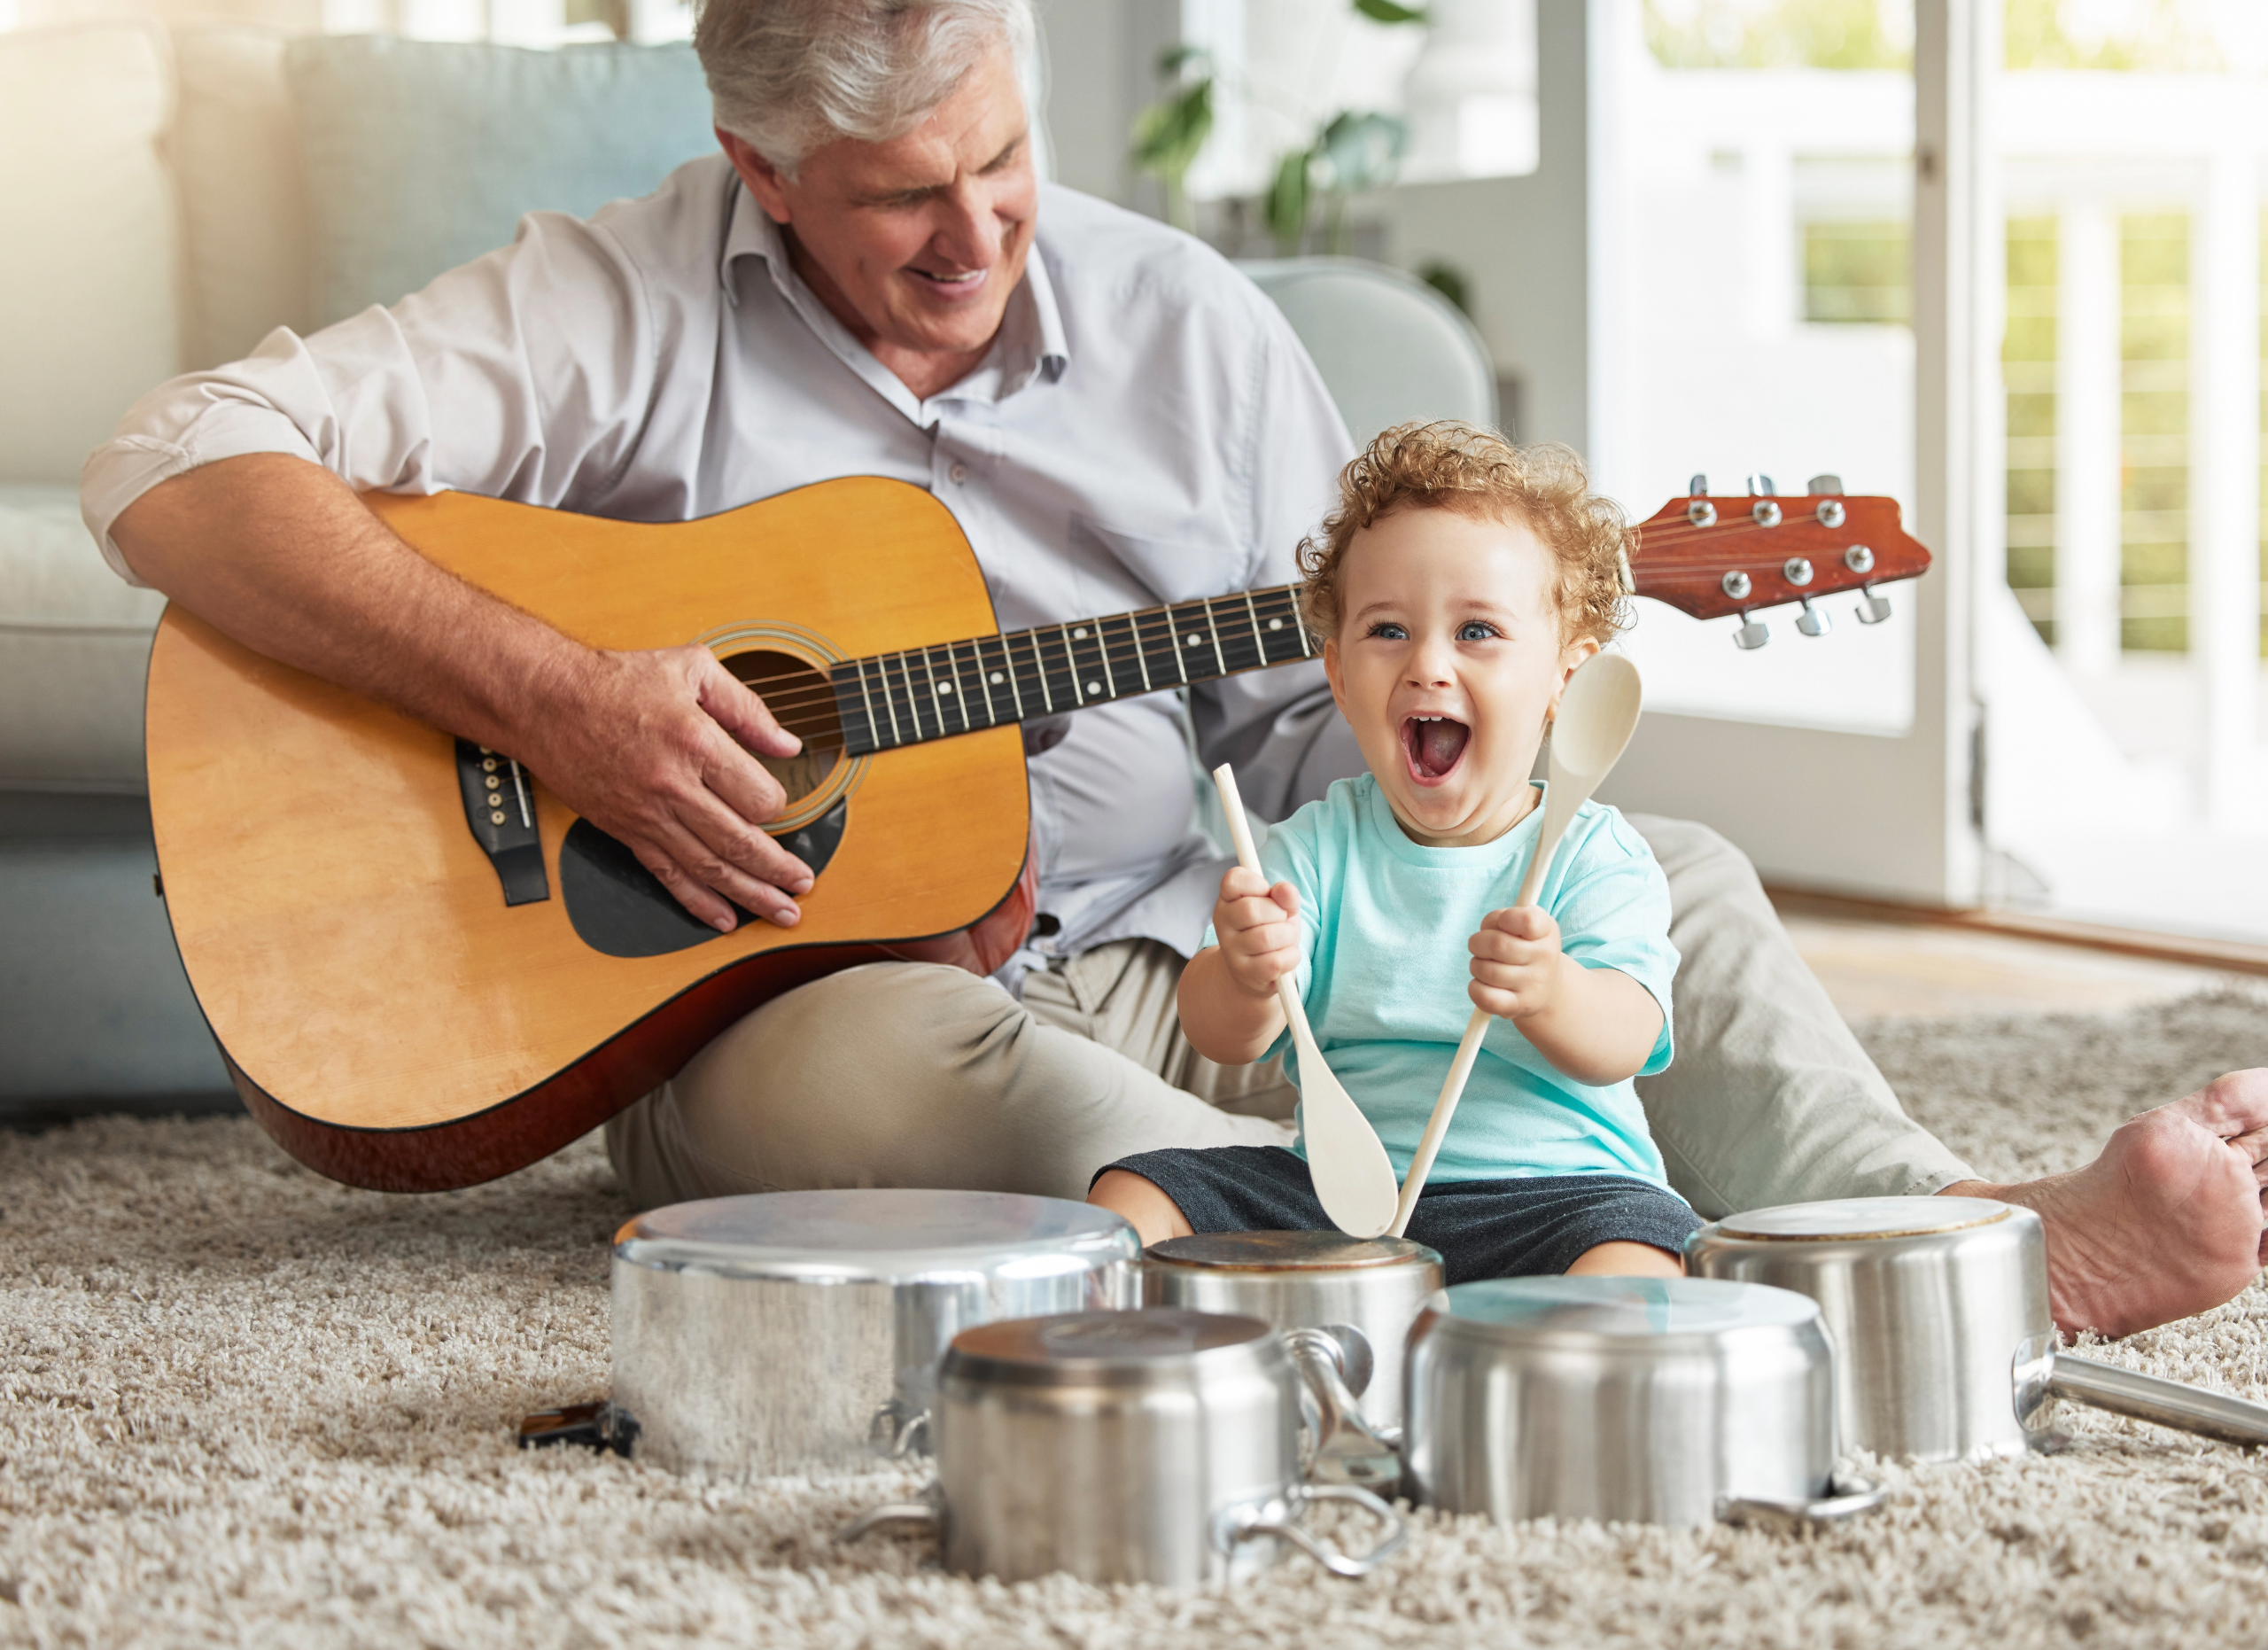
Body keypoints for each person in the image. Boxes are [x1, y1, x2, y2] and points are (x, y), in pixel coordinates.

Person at [82, 0, 2265, 1339]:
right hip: (819, 1019)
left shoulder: (1183, 322)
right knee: (1003, 1085)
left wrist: (1453, 718)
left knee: (1659, 878)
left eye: (1005, 161)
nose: (974, 234)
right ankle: (1459, 1285)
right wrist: (565, 701)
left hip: (1237, 952)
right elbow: (177, 461)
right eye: (894, 202)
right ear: (756, 172)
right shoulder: (615, 300)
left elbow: (1329, 715)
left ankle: (1949, 1256)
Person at [1093, 424, 1698, 1281]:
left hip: (1556, 1195)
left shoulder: (1593, 853)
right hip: (1340, 1199)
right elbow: (1221, 1036)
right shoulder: (1312, 848)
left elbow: (1628, 1039)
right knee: (1133, 1195)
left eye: (1478, 631)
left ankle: (1551, 1389)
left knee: (1638, 1256)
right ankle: (1160, 1388)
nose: (1428, 666)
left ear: (1566, 679)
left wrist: (1553, 991)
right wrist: (1242, 974)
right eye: (1388, 632)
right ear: (1339, 677)